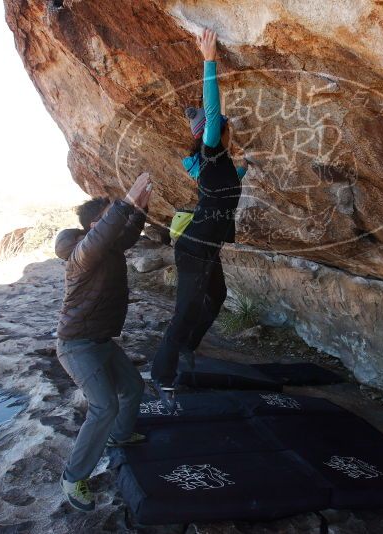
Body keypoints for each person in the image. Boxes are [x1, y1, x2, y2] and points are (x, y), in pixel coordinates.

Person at [151, 29, 245, 410]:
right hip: (194, 249)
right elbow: (210, 109)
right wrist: (209, 59)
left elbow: (228, 184)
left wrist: (247, 171)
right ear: (215, 131)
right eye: (224, 127)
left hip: (206, 248)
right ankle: (162, 377)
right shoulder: (210, 151)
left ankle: (186, 351)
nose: (228, 130)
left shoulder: (217, 165)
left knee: (216, 298)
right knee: (184, 312)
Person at [54, 172, 153, 512]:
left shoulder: (108, 248)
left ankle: (120, 437)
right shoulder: (83, 255)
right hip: (76, 345)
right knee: (104, 406)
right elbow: (107, 232)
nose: (115, 224)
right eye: (107, 218)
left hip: (101, 342)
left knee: (134, 387)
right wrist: (124, 202)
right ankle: (72, 477)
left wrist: (139, 209)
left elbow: (125, 233)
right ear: (93, 225)